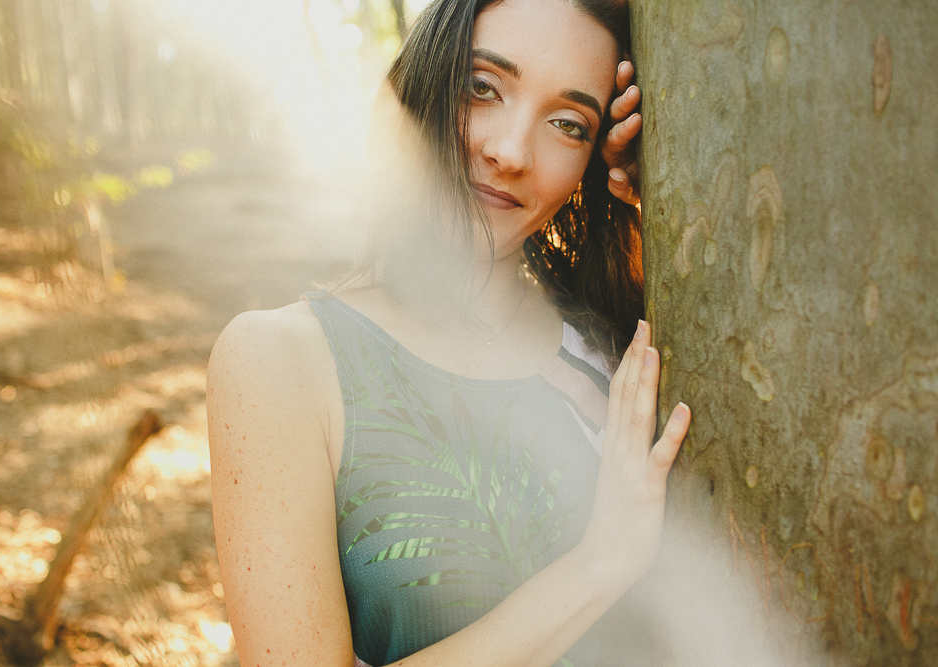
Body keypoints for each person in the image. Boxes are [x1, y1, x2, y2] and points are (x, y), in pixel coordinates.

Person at [206, 0, 692, 665]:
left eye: (567, 124)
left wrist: (648, 200)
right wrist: (599, 564)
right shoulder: (279, 361)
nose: (510, 151)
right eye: (483, 87)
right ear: (426, 78)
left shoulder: (618, 348)